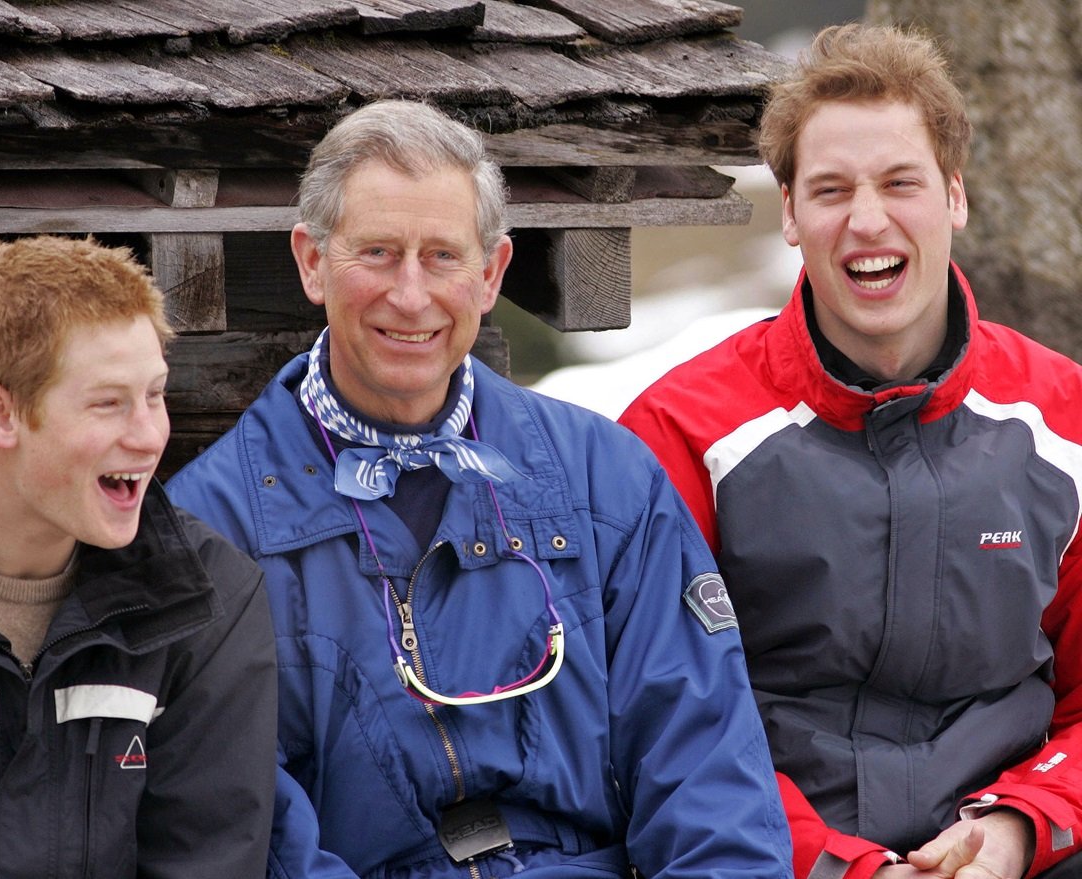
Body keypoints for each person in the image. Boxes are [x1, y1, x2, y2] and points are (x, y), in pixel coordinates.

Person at [165, 99, 792, 879]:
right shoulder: (211, 525)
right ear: (311, 261)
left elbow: (709, 771)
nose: (410, 294)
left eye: (442, 256)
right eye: (378, 252)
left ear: (492, 273)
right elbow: (244, 823)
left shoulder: (609, 479)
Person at [620, 23, 1082, 879]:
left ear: (955, 197)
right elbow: (662, 717)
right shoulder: (680, 432)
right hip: (768, 855)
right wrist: (840, 866)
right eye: (831, 190)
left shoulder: (1064, 421)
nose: (868, 220)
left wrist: (1018, 832)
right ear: (790, 213)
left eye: (901, 183)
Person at [0, 235, 277, 878]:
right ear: (0, 415)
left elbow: (208, 859)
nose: (149, 436)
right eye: (107, 403)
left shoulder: (211, 603)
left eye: (155, 394)